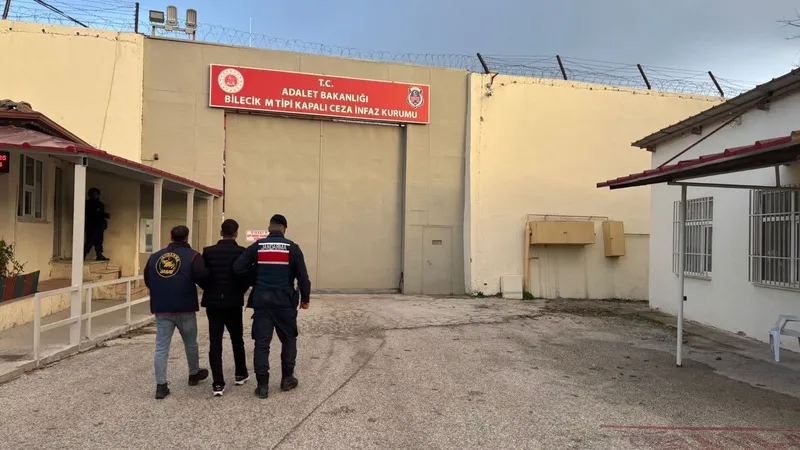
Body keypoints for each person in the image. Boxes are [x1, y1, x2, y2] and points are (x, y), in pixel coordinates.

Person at [233, 214, 311, 399]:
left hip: (262, 302)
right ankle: (287, 379)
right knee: (289, 339)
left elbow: (238, 267)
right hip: (285, 303)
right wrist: (305, 298)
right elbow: (303, 277)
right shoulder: (292, 248)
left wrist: (255, 279)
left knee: (262, 344)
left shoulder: (257, 246)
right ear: (284, 228)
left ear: (269, 228)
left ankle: (262, 386)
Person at [144, 225, 210, 400]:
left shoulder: (155, 257)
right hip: (185, 306)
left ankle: (161, 385)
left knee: (161, 347)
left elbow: (148, 280)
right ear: (187, 237)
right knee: (191, 343)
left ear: (171, 236)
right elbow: (202, 276)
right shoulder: (193, 256)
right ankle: (193, 373)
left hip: (161, 308)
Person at [200, 219, 252, 396]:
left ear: (221, 233)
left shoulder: (208, 252)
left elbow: (202, 275)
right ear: (236, 233)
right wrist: (240, 291)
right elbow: (246, 276)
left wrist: (209, 289)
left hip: (213, 302)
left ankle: (218, 383)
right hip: (233, 301)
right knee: (237, 339)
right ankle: (240, 373)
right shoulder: (242, 252)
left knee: (215, 342)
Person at [84, 187, 110, 261]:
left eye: (96, 194)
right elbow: (90, 213)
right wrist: (98, 212)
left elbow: (100, 214)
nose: (95, 196)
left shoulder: (100, 204)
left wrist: (105, 215)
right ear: (90, 195)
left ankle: (99, 255)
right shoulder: (87, 203)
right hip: (91, 226)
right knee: (89, 241)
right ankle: (82, 255)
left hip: (99, 226)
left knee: (99, 241)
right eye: (93, 194)